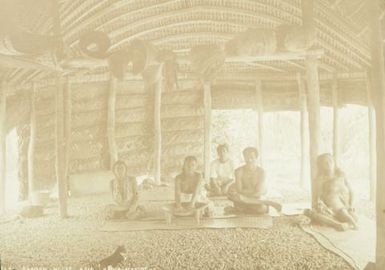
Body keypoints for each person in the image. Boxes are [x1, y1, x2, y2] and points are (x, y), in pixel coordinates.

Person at [304, 153, 358, 231]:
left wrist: (351, 205)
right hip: (328, 208)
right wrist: (321, 205)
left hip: (343, 207)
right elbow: (318, 198)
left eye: (330, 160)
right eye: (325, 162)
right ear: (321, 166)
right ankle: (338, 225)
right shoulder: (320, 179)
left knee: (353, 217)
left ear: (334, 161)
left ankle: (347, 223)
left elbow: (350, 190)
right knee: (312, 213)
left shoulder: (341, 175)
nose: (329, 164)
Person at [227, 147, 282, 215]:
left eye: (252, 157)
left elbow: (258, 192)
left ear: (256, 158)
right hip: (243, 199)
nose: (249, 160)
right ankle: (267, 202)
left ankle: (241, 209)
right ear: (244, 157)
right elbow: (239, 190)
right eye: (246, 157)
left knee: (261, 209)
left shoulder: (261, 172)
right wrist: (248, 193)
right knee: (236, 196)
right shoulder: (239, 171)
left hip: (253, 198)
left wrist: (245, 195)